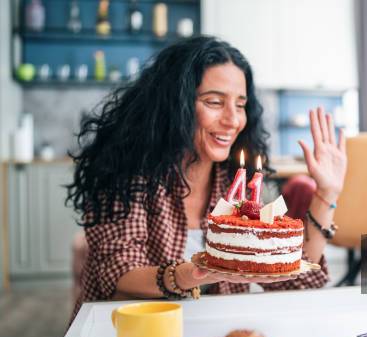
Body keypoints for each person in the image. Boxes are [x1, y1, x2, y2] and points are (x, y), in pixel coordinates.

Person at [66, 36, 347, 318]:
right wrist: (191, 275)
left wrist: (327, 192)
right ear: (176, 105)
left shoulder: (236, 183)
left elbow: (298, 280)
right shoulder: (129, 172)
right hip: (122, 334)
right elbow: (120, 275)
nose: (233, 120)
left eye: (240, 105)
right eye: (214, 102)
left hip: (211, 333)